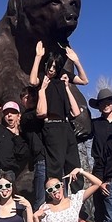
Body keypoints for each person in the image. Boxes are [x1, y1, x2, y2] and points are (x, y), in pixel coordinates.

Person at [32, 44, 83, 182]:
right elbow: (32, 81)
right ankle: (54, 194)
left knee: (73, 164)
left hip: (65, 125)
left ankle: (74, 197)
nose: (52, 70)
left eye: (55, 67)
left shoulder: (63, 78)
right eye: (50, 66)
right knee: (55, 166)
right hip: (51, 126)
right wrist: (38, 57)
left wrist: (76, 61)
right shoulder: (43, 78)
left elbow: (84, 80)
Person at [80, 88, 112, 222]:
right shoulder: (95, 124)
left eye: (108, 102)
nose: (106, 105)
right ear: (99, 107)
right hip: (99, 166)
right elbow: (84, 134)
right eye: (102, 103)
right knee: (99, 201)